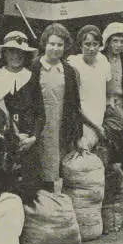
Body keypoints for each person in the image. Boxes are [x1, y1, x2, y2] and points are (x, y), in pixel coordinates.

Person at [0, 30, 44, 199]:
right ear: (4, 54)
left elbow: (40, 113)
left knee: (28, 190)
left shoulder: (31, 78)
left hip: (27, 142)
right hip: (3, 142)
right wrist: (9, 136)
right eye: (12, 51)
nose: (16, 56)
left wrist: (33, 138)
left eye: (20, 52)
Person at [31, 23, 83, 191]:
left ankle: (55, 204)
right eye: (51, 44)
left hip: (61, 124)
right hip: (40, 125)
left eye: (59, 45)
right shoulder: (34, 67)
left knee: (59, 166)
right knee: (40, 165)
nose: (55, 48)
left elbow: (75, 104)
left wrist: (78, 134)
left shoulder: (68, 71)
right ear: (44, 44)